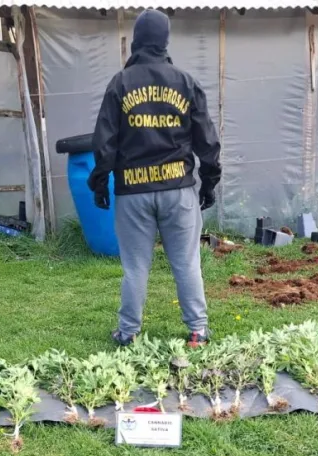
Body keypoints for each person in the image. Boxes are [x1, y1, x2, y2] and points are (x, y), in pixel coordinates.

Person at [89, 9, 222, 348]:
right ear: (165, 41)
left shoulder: (120, 83)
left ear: (135, 40)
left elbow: (104, 142)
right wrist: (209, 182)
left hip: (132, 192)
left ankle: (128, 332)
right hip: (178, 190)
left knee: (135, 268)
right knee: (187, 264)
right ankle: (198, 331)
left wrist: (100, 182)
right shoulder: (186, 82)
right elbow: (207, 140)